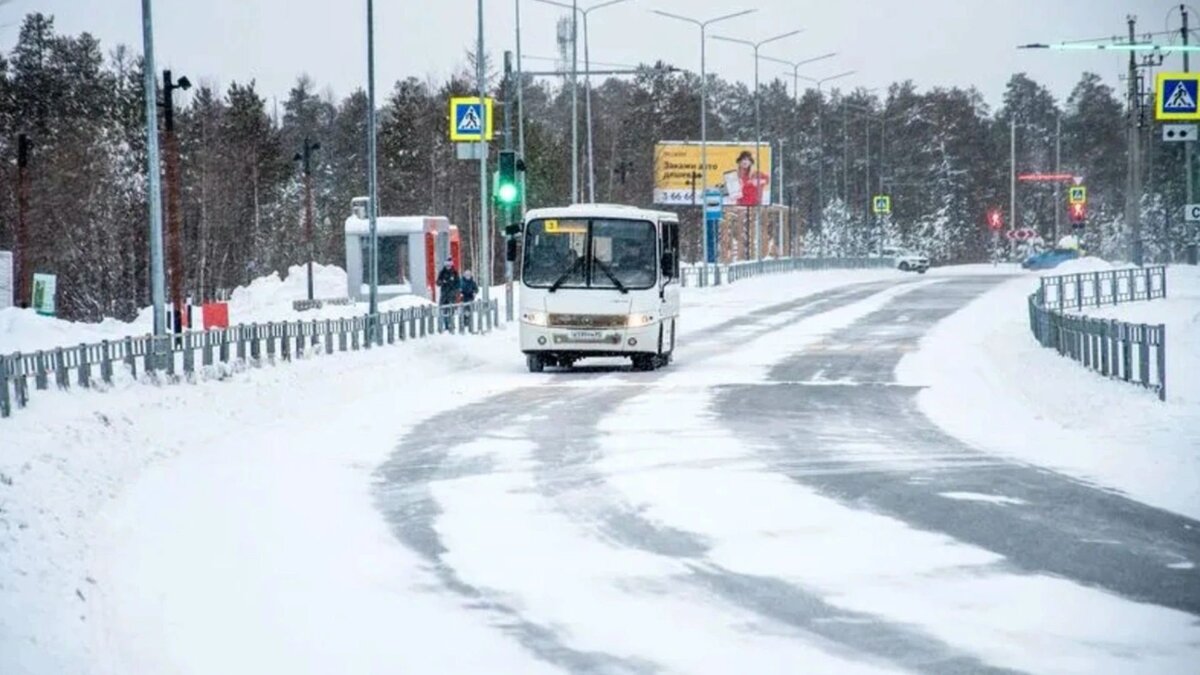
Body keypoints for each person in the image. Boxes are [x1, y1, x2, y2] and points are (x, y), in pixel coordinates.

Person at [436, 257, 460, 331]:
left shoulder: (455, 273)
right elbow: (437, 282)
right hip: (444, 294)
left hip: (452, 294)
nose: (448, 267)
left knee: (451, 310)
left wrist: (455, 290)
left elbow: (458, 283)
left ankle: (451, 324)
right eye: (447, 265)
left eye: (449, 265)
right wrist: (442, 282)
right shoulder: (442, 272)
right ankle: (445, 325)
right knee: (444, 310)